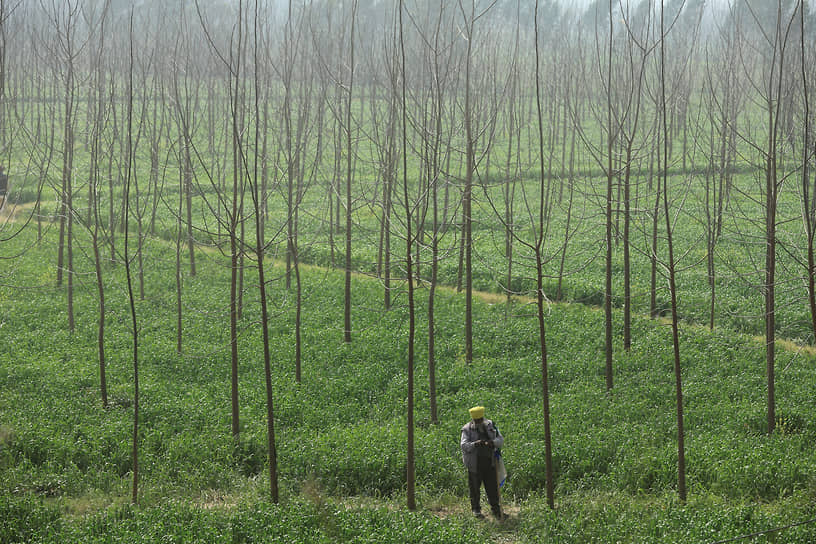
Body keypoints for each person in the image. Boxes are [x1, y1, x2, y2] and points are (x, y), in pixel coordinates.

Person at [460, 405, 504, 519]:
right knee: (474, 488)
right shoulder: (467, 429)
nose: (479, 422)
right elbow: (464, 445)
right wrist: (475, 444)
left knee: (492, 488)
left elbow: (500, 440)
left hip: (490, 462)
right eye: (476, 420)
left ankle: (496, 510)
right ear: (473, 420)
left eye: (480, 420)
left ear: (483, 418)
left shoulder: (491, 425)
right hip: (474, 464)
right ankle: (476, 511)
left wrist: (492, 442)